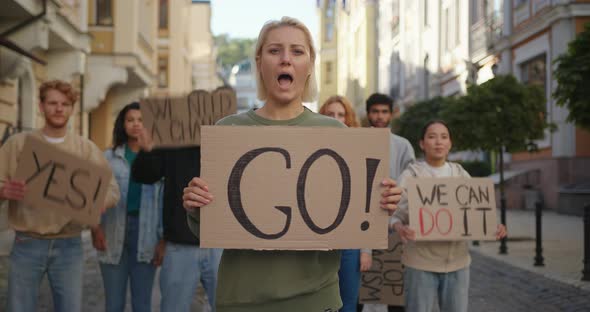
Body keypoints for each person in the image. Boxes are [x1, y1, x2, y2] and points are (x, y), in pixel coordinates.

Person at [182, 17, 403, 312]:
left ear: (310, 64)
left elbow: (353, 222)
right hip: (241, 302)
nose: (286, 59)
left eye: (297, 51)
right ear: (260, 61)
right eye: (275, 51)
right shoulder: (229, 132)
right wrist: (197, 207)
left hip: (316, 301)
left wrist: (380, 203)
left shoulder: (337, 135)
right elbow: (208, 227)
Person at [0, 79, 120, 312]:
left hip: (69, 244)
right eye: (52, 103)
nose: (58, 108)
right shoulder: (18, 144)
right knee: (18, 308)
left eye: (65, 104)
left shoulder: (85, 149)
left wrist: (97, 202)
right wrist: (4, 191)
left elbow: (112, 189)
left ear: (72, 108)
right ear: (41, 106)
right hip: (27, 242)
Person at [390, 120, 507, 312]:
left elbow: (476, 212)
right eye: (432, 136)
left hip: (458, 264)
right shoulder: (410, 176)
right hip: (420, 264)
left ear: (450, 143)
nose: (438, 142)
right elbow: (393, 215)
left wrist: (494, 226)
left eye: (444, 137)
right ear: (422, 143)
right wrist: (399, 227)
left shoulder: (461, 174)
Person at [132, 112, 222, 311]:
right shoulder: (172, 145)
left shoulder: (227, 145)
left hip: (220, 245)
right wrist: (147, 150)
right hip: (180, 245)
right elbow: (144, 176)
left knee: (228, 306)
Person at [92, 102, 164, 312]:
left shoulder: (158, 157)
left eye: (141, 120)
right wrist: (95, 228)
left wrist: (163, 238)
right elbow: (94, 195)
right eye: (130, 120)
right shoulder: (108, 157)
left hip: (147, 235)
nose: (136, 125)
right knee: (113, 304)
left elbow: (164, 200)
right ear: (122, 124)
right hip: (112, 231)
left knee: (142, 305)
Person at [361, 92, 416, 312]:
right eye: (375, 111)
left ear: (391, 114)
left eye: (384, 111)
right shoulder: (359, 140)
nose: (380, 116)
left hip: (393, 222)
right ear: (368, 114)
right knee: (365, 285)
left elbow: (410, 179)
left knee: (393, 286)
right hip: (363, 222)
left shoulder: (402, 145)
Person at [319, 95, 369, 312]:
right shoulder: (306, 151)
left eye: (341, 115)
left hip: (350, 241)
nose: (337, 119)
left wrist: (366, 249)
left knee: (348, 304)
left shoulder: (362, 153)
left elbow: (367, 203)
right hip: (317, 241)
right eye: (330, 115)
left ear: (349, 120)